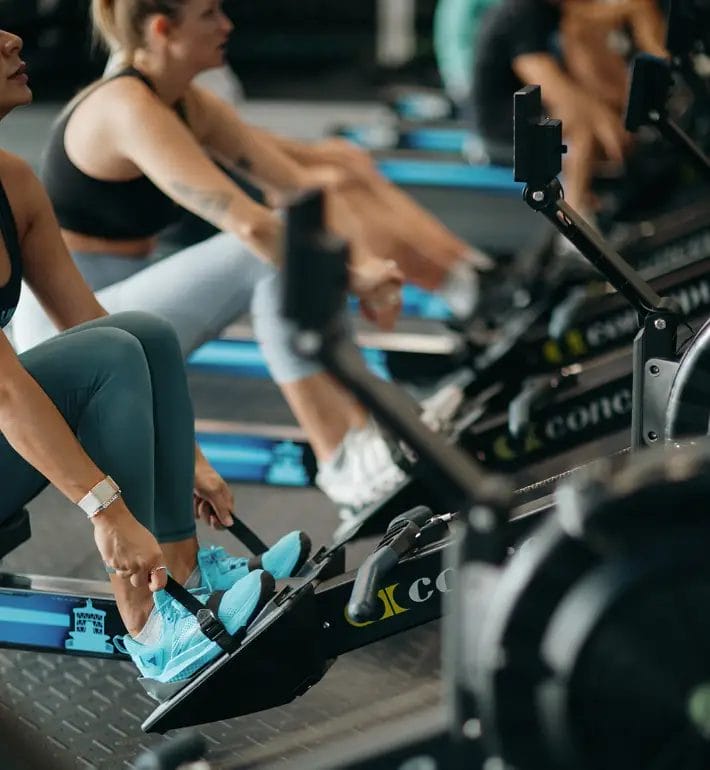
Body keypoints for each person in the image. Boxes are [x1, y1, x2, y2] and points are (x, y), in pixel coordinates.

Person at [11, 0, 490, 517]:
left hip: (122, 301)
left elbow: (298, 188)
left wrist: (373, 267)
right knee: (261, 252)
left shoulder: (186, 101)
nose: (228, 25)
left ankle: (370, 421)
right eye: (210, 15)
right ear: (162, 29)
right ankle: (341, 463)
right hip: (69, 334)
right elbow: (250, 222)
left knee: (292, 238)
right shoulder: (127, 108)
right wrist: (356, 278)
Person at [0, 27, 311, 684]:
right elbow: (3, 389)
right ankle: (149, 623)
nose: (11, 39)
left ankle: (187, 575)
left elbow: (87, 319)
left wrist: (185, 457)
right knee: (111, 354)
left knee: (141, 332)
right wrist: (107, 515)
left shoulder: (13, 181)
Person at [471, 0, 668, 214]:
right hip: (502, 121)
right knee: (580, 127)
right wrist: (602, 119)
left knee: (594, 115)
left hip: (536, 109)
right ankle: (572, 218)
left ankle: (612, 200)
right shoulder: (522, 12)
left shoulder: (557, 11)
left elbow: (590, 75)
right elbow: (547, 82)